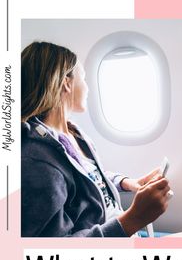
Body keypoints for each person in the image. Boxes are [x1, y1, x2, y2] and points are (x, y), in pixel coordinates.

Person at [21, 41, 170, 237]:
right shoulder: (37, 163)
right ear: (66, 83)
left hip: (120, 232)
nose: (88, 87)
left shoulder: (71, 133)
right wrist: (133, 219)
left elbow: (88, 177)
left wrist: (126, 182)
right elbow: (52, 253)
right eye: (83, 78)